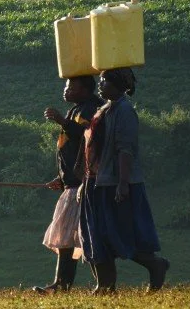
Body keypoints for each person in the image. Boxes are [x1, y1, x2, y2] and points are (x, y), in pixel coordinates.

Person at [79, 67, 170, 293]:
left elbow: (125, 150)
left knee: (119, 232)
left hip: (114, 182)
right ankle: (105, 285)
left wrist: (122, 182)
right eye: (100, 81)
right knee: (97, 233)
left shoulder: (125, 112)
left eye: (105, 81)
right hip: (96, 180)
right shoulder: (105, 110)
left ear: (119, 86)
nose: (100, 85)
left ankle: (155, 265)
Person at [34, 75, 102, 294]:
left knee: (86, 237)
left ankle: (102, 284)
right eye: (66, 86)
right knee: (66, 237)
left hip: (85, 185)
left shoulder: (91, 109)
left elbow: (87, 138)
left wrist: (63, 122)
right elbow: (72, 152)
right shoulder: (77, 109)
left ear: (86, 89)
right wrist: (62, 179)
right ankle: (61, 284)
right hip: (73, 185)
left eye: (71, 86)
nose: (66, 90)